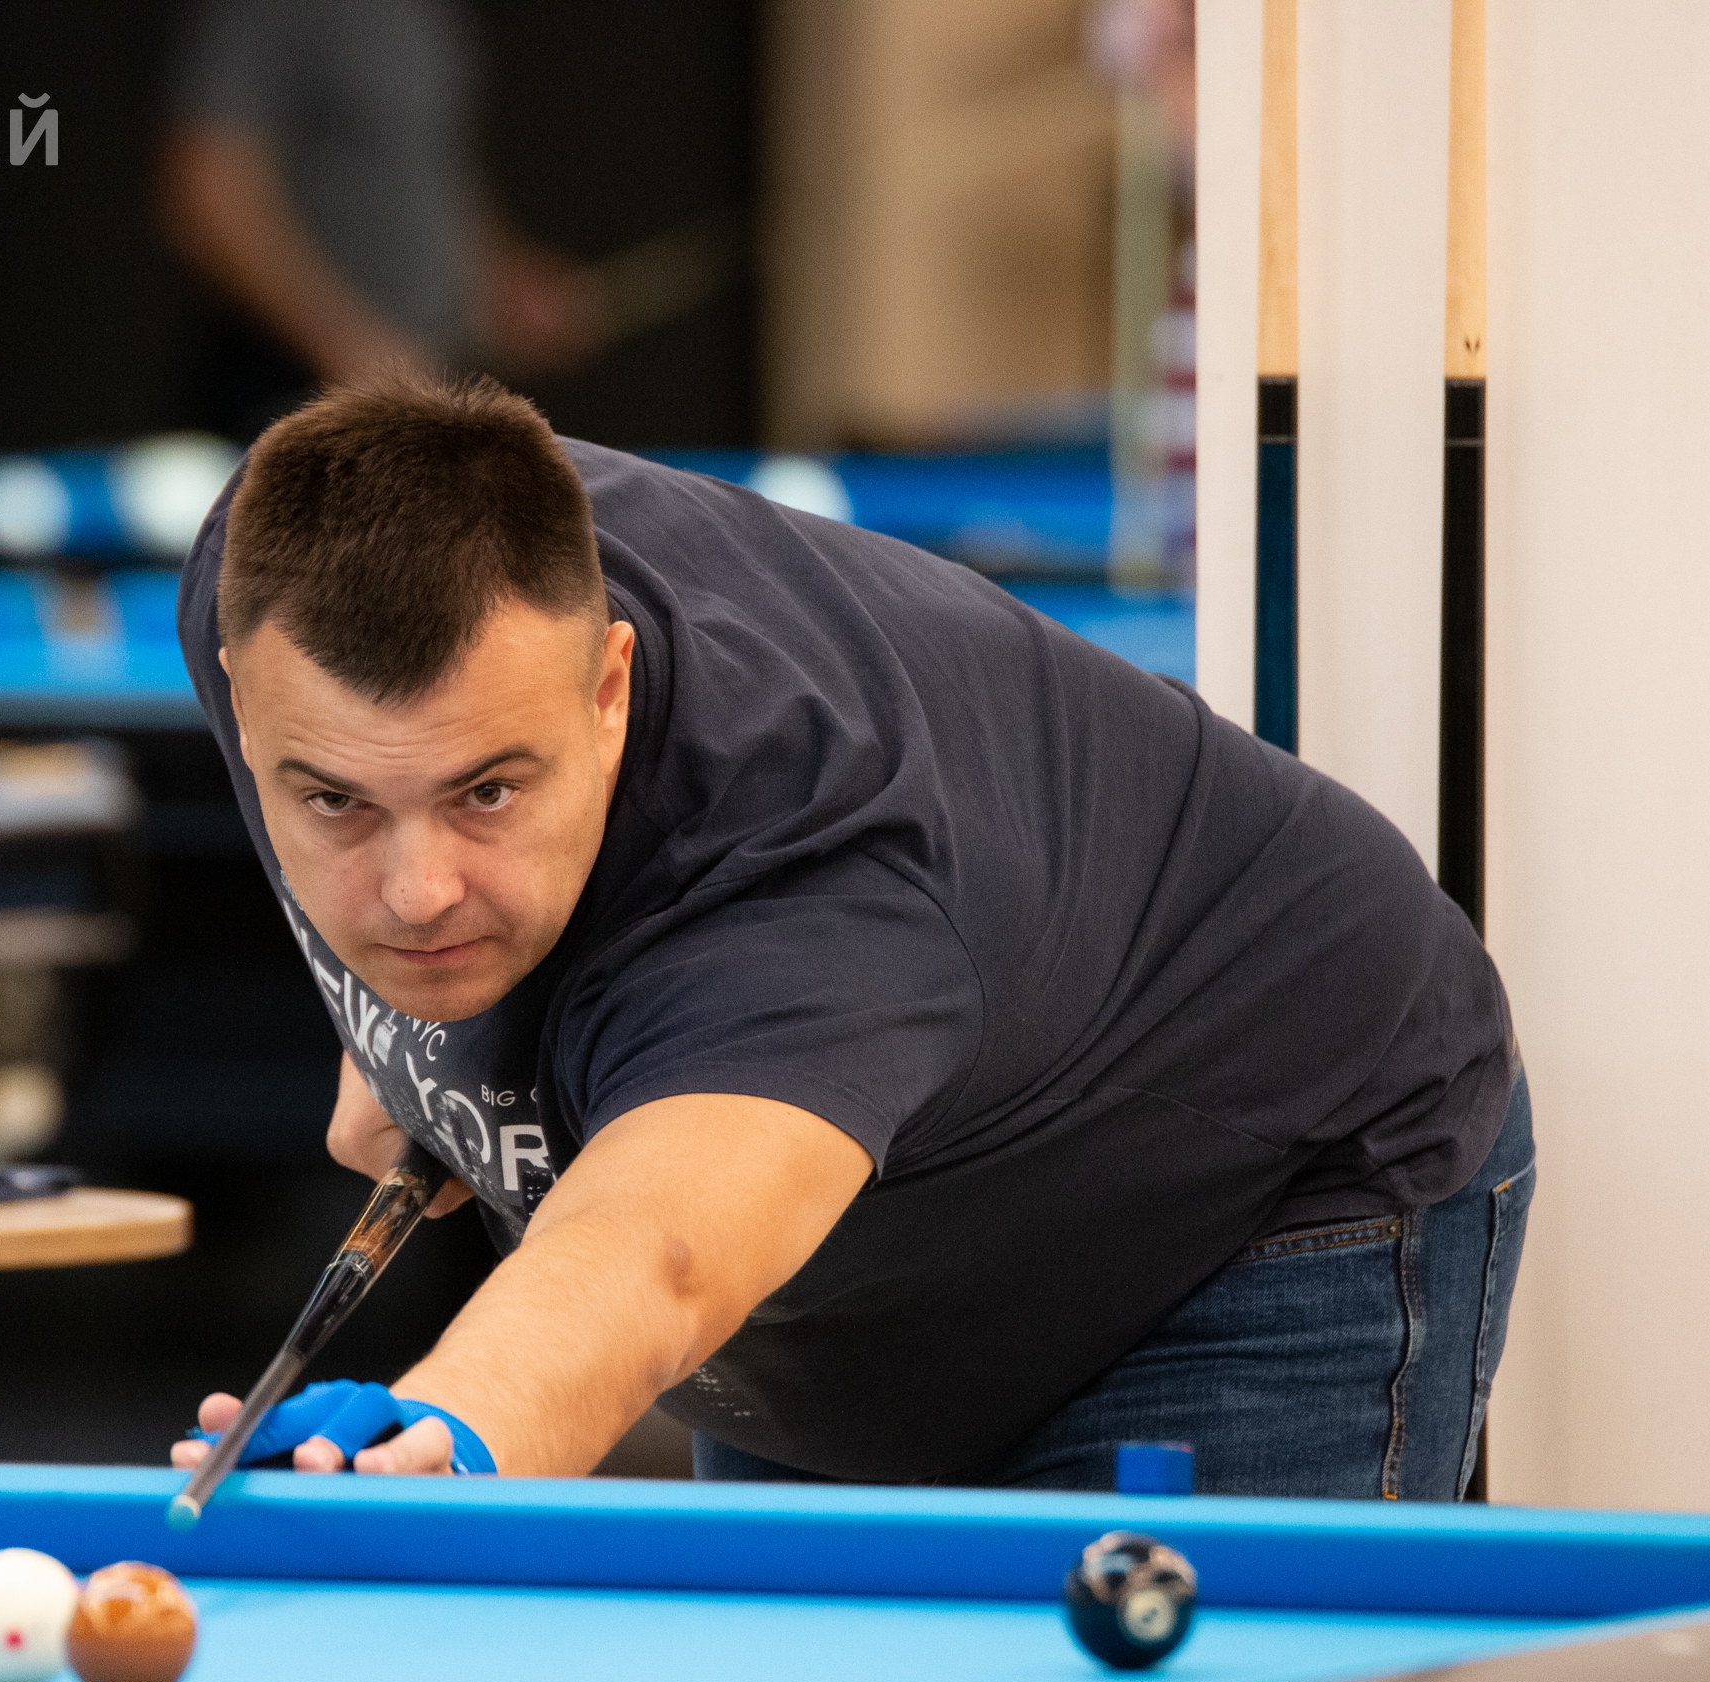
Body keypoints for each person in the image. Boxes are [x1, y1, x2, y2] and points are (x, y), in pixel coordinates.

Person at [169, 373, 1529, 1497]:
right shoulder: (267, 573)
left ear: (608, 689)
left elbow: (657, 1254)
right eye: (336, 802)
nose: (415, 892)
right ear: (241, 693)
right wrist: (407, 1038)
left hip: (1246, 1194)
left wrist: (452, 1429)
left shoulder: (810, 879)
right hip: (871, 1261)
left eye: (488, 793)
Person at [161, 0, 598, 435]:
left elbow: (423, 167)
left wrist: (501, 279)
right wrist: (349, 343)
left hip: (423, 396)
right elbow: (209, 193)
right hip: (290, 401)